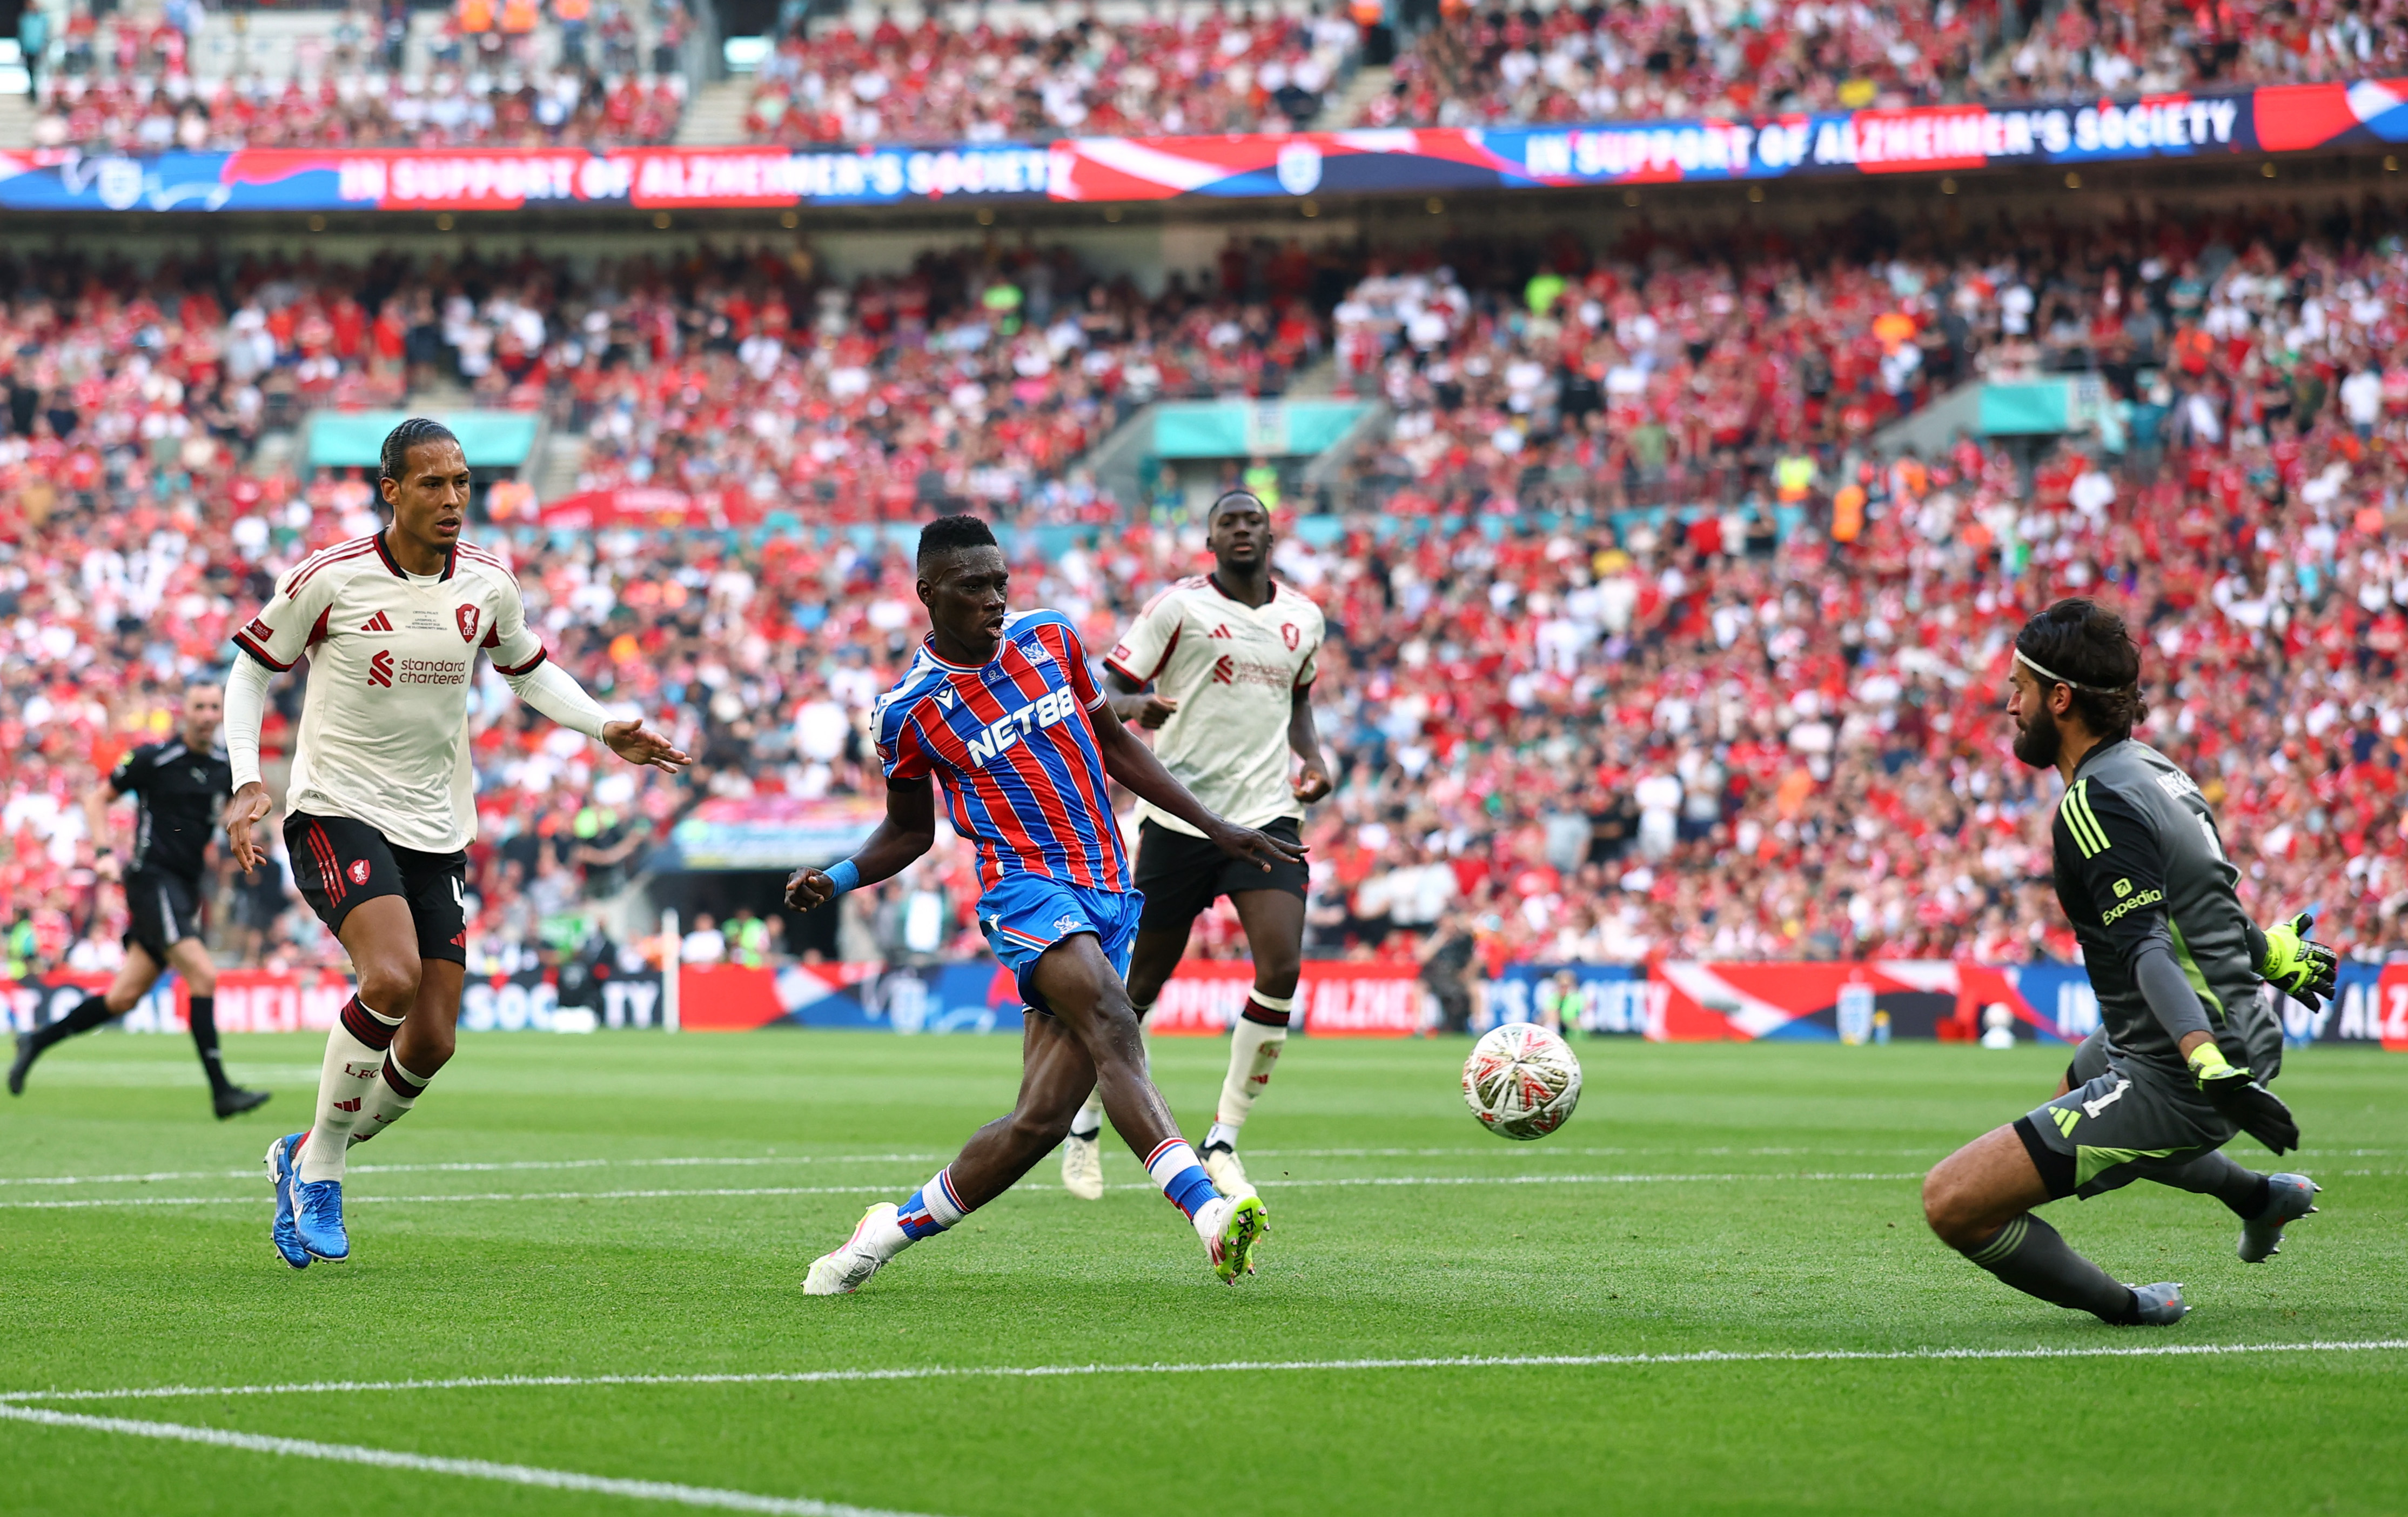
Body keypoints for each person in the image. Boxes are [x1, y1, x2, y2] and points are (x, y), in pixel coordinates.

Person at [787, 514, 1304, 1294]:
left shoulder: (1052, 638)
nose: (996, 598)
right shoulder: (909, 710)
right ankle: (1205, 1209)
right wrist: (841, 874)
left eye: (1001, 581)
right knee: (1113, 1017)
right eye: (974, 586)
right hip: (1024, 889)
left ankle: (880, 1234)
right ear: (928, 594)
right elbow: (908, 830)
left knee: (1039, 1121)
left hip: (1106, 886)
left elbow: (1116, 744)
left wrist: (1213, 825)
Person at [222, 417, 688, 1270]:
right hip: (336, 806)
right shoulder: (331, 577)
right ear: (391, 489)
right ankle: (322, 1167)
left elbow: (531, 667)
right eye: (433, 483)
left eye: (463, 482)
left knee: (432, 1040)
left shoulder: (488, 584)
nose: (453, 499)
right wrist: (247, 775)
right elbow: (254, 667)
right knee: (390, 976)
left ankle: (304, 1147)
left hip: (437, 825)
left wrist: (603, 725)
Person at [1921, 599, 2336, 1326]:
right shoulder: (2156, 772)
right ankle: (2258, 1196)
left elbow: (2146, 940)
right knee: (2074, 1086)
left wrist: (2202, 1058)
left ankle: (2130, 1307)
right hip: (2197, 1034)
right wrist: (2273, 953)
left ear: (2060, 698)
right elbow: (2203, 900)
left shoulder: (2094, 802)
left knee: (1954, 1202)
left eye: (2018, 686)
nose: (2008, 702)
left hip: (2183, 1063)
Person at [1055, 489, 1329, 1200]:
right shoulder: (1177, 608)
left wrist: (1314, 760)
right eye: (1227, 521)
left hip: (1268, 816)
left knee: (1282, 964)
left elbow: (1298, 702)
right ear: (1209, 540)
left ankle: (1224, 1137)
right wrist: (1135, 705)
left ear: (1271, 533)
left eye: (1252, 519)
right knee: (1137, 988)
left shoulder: (1304, 618)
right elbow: (1101, 697)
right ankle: (1085, 1118)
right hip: (1181, 820)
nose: (1241, 528)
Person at [8, 680, 270, 1118]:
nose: (208, 714)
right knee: (203, 975)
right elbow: (97, 799)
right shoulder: (154, 758)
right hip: (152, 880)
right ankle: (222, 1091)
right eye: (199, 706)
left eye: (214, 707)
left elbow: (248, 803)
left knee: (123, 998)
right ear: (184, 712)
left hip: (186, 888)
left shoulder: (226, 766)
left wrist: (251, 817)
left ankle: (37, 1040)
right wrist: (106, 852)